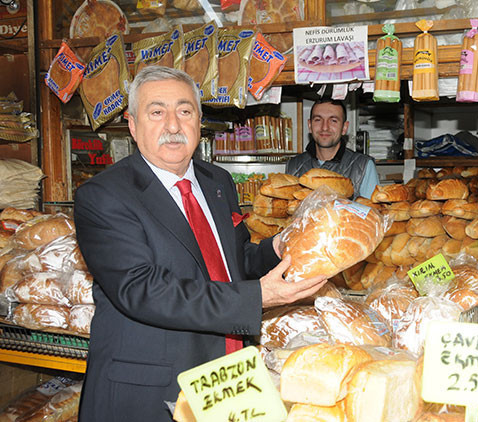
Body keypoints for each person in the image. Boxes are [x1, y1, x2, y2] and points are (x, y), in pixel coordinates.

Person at [73, 66, 328, 421]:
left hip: (228, 376)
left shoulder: (216, 180)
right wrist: (258, 297)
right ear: (132, 125)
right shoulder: (104, 195)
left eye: (185, 111)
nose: (173, 125)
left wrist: (278, 248)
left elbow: (231, 261)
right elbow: (143, 289)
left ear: (199, 120)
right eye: (157, 112)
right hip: (151, 389)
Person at [285, 98, 379, 199]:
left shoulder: (363, 166)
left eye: (333, 121)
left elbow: (373, 208)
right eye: (318, 120)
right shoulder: (293, 166)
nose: (325, 127)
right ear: (310, 125)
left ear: (344, 128)